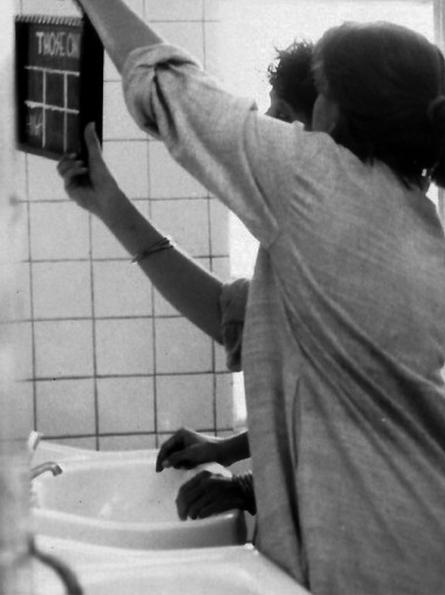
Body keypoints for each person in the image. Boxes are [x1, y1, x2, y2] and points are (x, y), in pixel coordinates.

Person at [42, 0, 445, 594]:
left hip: (393, 559)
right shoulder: (410, 213)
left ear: (335, 110)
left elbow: (173, 90)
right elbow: (243, 323)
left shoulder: (317, 175)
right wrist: (112, 206)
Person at [58, 40, 318, 522]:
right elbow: (228, 313)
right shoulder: (297, 243)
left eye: (282, 117)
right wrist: (107, 202)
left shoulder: (347, 245)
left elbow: (353, 426)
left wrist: (247, 488)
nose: (267, 132)